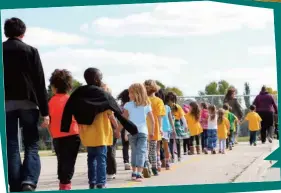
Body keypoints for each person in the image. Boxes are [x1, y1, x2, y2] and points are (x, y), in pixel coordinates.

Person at [60, 68, 138, 189]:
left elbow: (68, 108)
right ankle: (101, 183)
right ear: (97, 79)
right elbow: (115, 111)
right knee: (101, 158)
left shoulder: (78, 93)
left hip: (87, 134)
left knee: (91, 158)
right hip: (101, 133)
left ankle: (92, 182)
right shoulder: (102, 94)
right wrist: (129, 127)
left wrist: (65, 126)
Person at [3, 17, 50, 192]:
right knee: (31, 143)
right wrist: (46, 112)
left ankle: (14, 184)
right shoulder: (31, 51)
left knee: (12, 144)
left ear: (5, 32)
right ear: (23, 32)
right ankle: (28, 181)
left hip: (5, 104)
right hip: (29, 103)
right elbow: (39, 82)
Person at [48, 69, 80, 190]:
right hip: (73, 134)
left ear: (54, 86)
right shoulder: (72, 100)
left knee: (61, 160)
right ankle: (65, 185)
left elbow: (48, 120)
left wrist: (52, 133)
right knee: (69, 162)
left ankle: (63, 184)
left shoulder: (50, 102)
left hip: (57, 136)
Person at [119, 83, 154, 182]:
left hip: (134, 133)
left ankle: (136, 172)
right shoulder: (145, 105)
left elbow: (124, 121)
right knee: (140, 152)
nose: (129, 94)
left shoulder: (129, 105)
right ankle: (137, 173)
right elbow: (152, 120)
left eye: (130, 92)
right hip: (141, 132)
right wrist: (152, 132)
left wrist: (119, 130)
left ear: (136, 93)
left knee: (136, 152)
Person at [144, 80, 166, 175]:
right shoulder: (158, 101)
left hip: (143, 126)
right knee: (153, 148)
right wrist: (160, 127)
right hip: (154, 126)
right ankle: (154, 167)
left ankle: (145, 166)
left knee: (144, 148)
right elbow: (159, 116)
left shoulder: (143, 100)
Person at [156, 89, 176, 170]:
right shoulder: (167, 107)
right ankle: (167, 162)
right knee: (166, 146)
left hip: (157, 128)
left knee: (157, 146)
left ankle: (158, 163)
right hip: (166, 129)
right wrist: (173, 128)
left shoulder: (155, 106)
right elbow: (170, 119)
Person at [102, 84, 118, 180]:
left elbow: (112, 117)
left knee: (109, 150)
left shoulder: (109, 103)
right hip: (103, 128)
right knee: (107, 151)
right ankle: (107, 170)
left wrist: (116, 128)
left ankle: (111, 171)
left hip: (110, 128)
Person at [166, 92, 188, 161]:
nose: (170, 102)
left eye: (171, 100)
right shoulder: (167, 107)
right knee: (172, 141)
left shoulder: (177, 107)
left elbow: (182, 117)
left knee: (176, 141)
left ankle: (178, 156)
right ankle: (173, 156)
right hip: (170, 124)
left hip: (176, 124)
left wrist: (185, 125)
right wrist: (185, 125)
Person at [117, 89, 131, 170]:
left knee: (125, 145)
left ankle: (126, 162)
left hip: (123, 126)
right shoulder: (132, 105)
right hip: (132, 126)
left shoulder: (121, 107)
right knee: (134, 145)